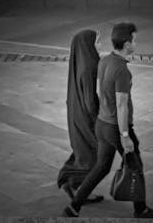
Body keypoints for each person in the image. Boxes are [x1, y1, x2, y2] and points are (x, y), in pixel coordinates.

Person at [62, 21, 153, 218]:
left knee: (101, 167)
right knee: (135, 165)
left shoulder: (104, 61)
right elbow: (121, 105)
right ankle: (140, 209)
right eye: (135, 40)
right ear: (127, 44)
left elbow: (102, 92)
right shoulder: (122, 71)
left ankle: (73, 207)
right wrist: (125, 135)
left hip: (102, 125)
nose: (136, 43)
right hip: (117, 127)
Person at [57, 29, 105, 204]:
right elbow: (90, 101)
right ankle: (73, 183)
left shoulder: (80, 61)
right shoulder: (89, 66)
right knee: (95, 155)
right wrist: (99, 120)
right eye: (98, 42)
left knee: (83, 151)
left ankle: (74, 184)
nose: (100, 46)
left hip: (76, 113)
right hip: (85, 116)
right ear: (88, 45)